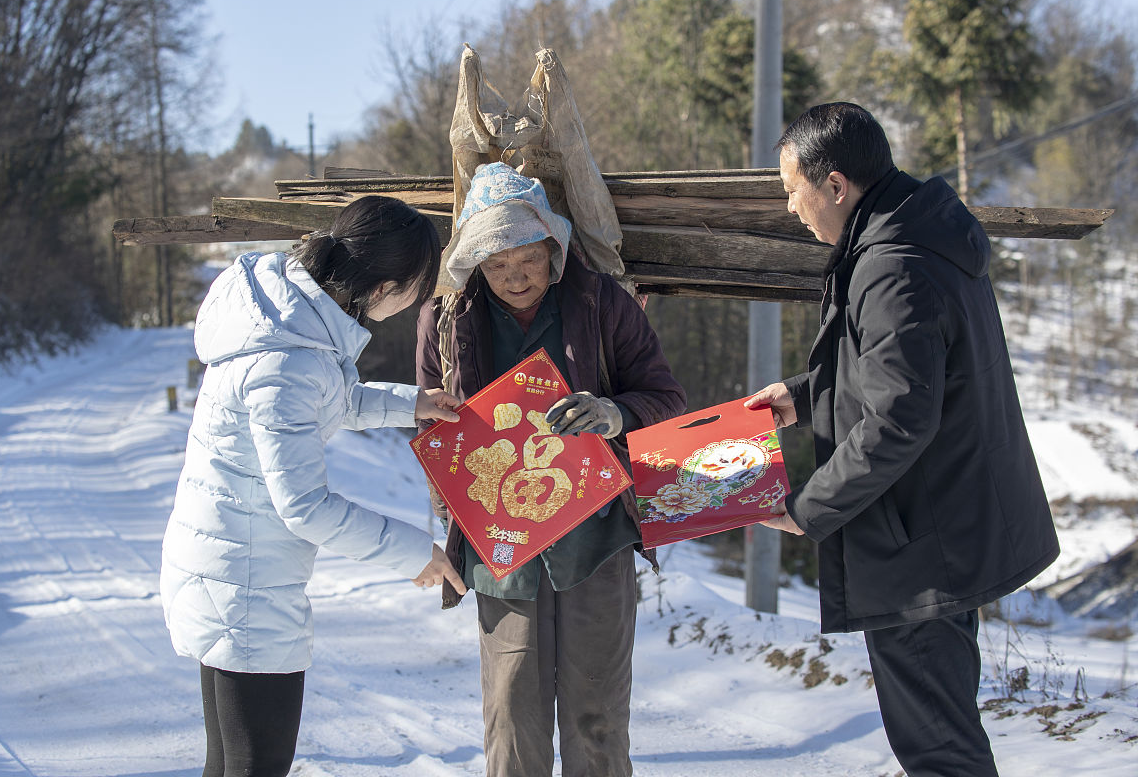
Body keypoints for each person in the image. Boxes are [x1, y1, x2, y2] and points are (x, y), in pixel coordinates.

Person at [745, 102, 1059, 776]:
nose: (790, 209)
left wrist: (809, 506)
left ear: (834, 186)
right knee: (942, 729)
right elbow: (902, 375)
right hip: (940, 526)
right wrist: (803, 399)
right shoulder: (917, 237)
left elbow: (896, 421)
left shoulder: (892, 267)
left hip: (919, 542)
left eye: (793, 190)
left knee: (938, 748)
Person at [160, 195, 468, 777]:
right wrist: (413, 553)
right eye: (416, 290)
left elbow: (332, 399)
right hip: (247, 581)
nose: (415, 304)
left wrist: (413, 403)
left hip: (225, 560)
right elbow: (306, 507)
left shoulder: (288, 315)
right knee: (256, 764)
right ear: (386, 287)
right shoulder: (288, 359)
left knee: (228, 763)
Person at [415, 162, 686, 777]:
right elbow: (428, 419)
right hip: (501, 549)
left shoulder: (601, 304)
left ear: (552, 247)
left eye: (527, 260)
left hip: (596, 537)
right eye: (495, 265)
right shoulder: (448, 320)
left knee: (597, 716)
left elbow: (666, 398)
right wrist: (453, 475)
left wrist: (613, 413)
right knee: (512, 717)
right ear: (475, 265)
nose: (513, 278)